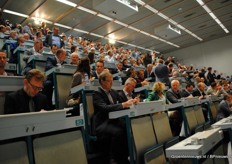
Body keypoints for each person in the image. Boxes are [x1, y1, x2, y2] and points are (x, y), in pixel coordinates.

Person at [92, 71, 137, 164]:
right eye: (109, 81)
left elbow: (122, 103)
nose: (112, 83)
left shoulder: (114, 92)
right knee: (118, 131)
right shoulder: (97, 93)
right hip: (103, 122)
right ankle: (113, 157)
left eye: (112, 81)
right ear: (102, 82)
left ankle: (127, 154)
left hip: (114, 120)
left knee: (128, 126)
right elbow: (105, 108)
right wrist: (123, 104)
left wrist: (132, 102)